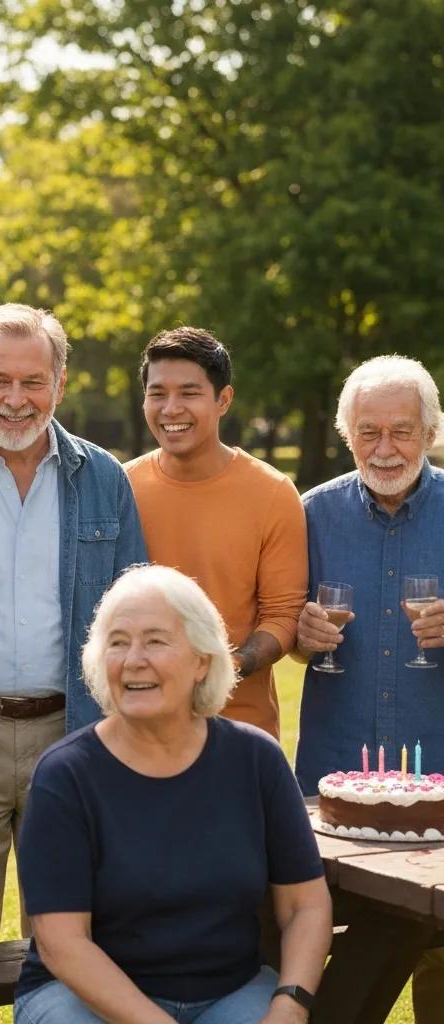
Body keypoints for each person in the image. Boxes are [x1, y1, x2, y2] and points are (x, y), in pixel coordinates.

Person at [0, 303, 147, 1024]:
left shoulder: (104, 478)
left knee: (79, 947)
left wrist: (129, 740)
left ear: (60, 384)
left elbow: (134, 619)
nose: (16, 399)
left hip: (76, 739)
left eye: (33, 381)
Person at [15, 564, 332, 1024]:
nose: (133, 659)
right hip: (81, 996)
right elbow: (62, 943)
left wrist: (290, 1003)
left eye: (155, 641)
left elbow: (306, 904)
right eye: (117, 643)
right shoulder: (65, 776)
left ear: (202, 660)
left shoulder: (256, 759)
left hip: (230, 991)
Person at [292, 354, 444, 1023]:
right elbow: (280, 622)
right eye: (368, 432)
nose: (385, 448)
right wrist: (300, 633)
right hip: (333, 782)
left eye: (402, 431)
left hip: (440, 778)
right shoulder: (310, 514)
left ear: (431, 433)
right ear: (346, 434)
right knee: (325, 931)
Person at [125, 327, 307, 738]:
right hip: (137, 729)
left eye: (189, 393)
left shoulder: (273, 493)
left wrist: (223, 668)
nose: (171, 408)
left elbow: (283, 617)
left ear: (223, 399)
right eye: (157, 394)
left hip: (240, 731)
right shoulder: (121, 487)